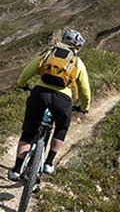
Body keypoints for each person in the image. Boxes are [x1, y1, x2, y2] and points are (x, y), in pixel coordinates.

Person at [7, 29, 91, 181]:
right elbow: (85, 90)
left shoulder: (48, 54)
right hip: (62, 100)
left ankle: (17, 169)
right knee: (61, 128)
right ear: (77, 47)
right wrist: (84, 107)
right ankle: (49, 163)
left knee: (28, 132)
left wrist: (22, 84)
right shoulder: (78, 62)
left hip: (39, 94)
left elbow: (27, 71)